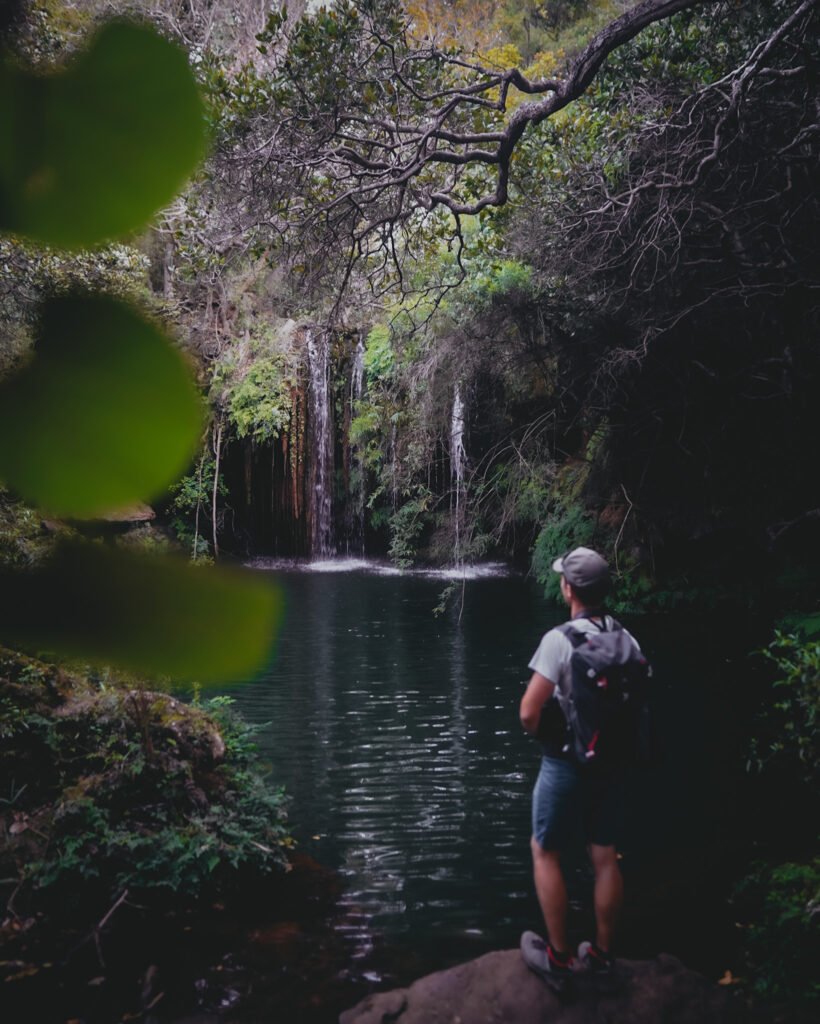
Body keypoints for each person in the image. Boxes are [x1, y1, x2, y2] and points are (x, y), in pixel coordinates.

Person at [518, 546, 642, 993]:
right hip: (613, 763)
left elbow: (528, 713)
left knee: (545, 851)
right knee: (604, 856)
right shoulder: (627, 638)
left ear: (568, 588)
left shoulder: (560, 640)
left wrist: (547, 736)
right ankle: (604, 956)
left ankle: (558, 959)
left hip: (565, 762)